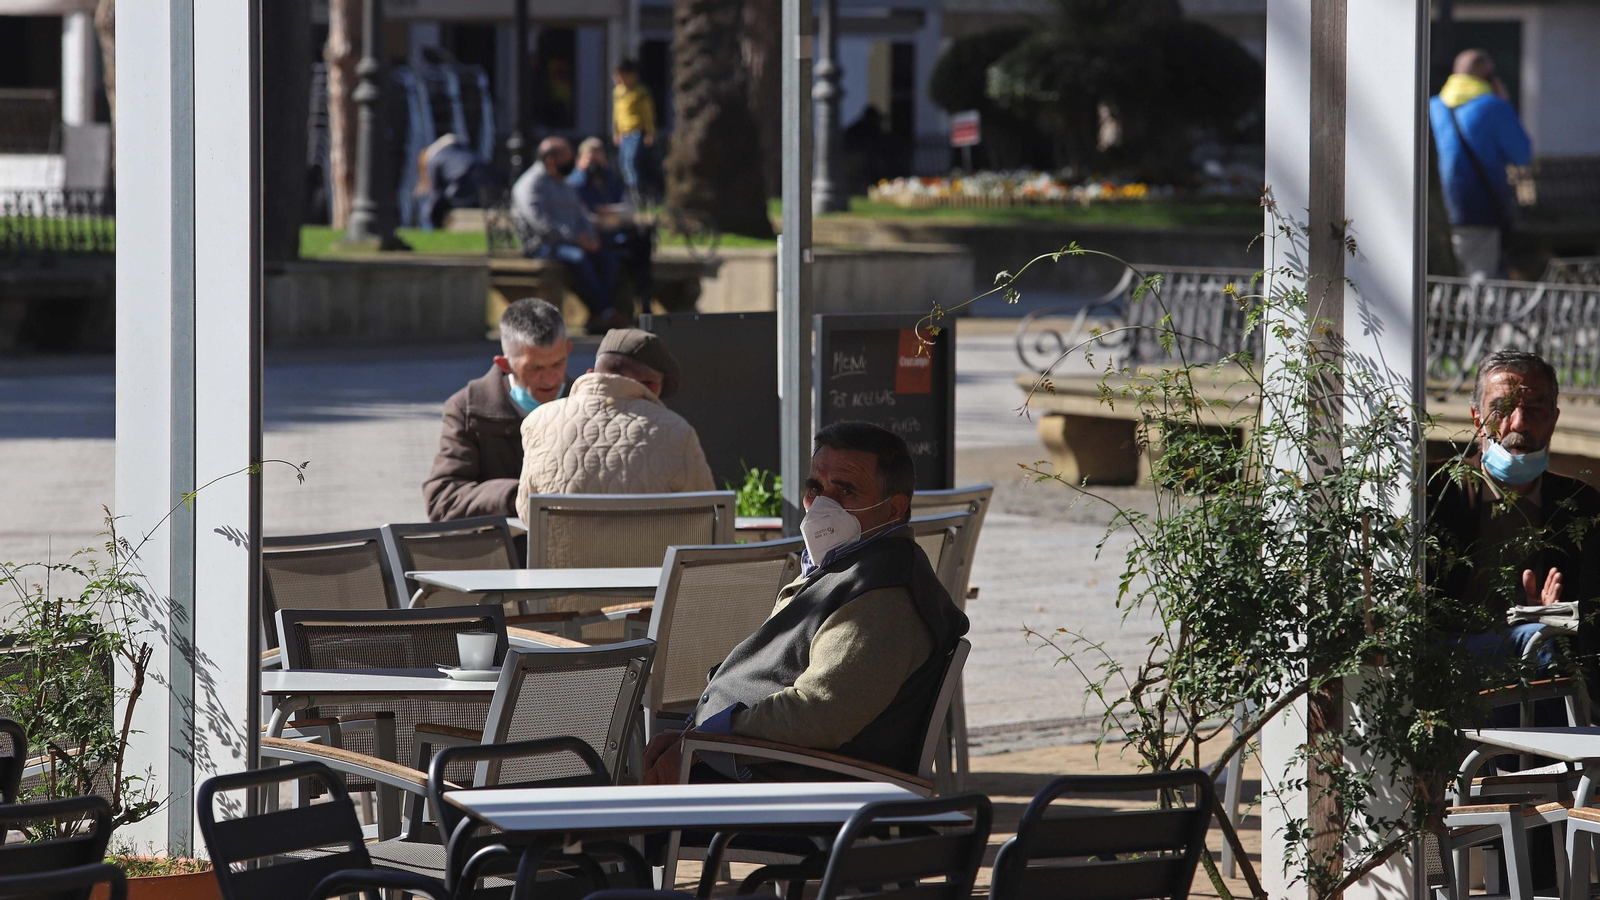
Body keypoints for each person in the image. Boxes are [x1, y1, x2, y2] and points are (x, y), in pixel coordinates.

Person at [642, 421, 970, 784]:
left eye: (846, 490)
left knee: (598, 814)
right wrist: (694, 736)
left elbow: (818, 713)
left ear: (893, 509)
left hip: (787, 797)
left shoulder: (884, 594)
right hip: (747, 766)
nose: (823, 504)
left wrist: (704, 743)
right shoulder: (848, 564)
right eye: (815, 487)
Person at [1429, 350, 1600, 680]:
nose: (1519, 423)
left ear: (1554, 418)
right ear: (1477, 418)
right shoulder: (1435, 492)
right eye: (1501, 409)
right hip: (1447, 665)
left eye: (1534, 409)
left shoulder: (1581, 505)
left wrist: (1552, 615)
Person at [515, 328, 714, 519]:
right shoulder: (678, 431)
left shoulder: (538, 421)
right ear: (653, 387)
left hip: (563, 554)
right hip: (650, 555)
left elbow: (526, 513)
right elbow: (708, 516)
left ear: (592, 373)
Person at [424, 298, 572, 521]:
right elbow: (443, 499)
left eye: (558, 364)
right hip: (502, 551)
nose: (550, 379)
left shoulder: (583, 402)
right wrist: (515, 497)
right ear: (505, 365)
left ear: (568, 351)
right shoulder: (468, 408)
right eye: (535, 368)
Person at [1429, 49, 1531, 278]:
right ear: (1487, 75)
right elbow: (1522, 155)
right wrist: (1505, 102)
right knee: (1481, 286)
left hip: (1436, 212)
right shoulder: (1494, 107)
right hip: (1480, 211)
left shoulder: (1432, 107)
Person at [511, 136, 620, 333]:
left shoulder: (564, 183)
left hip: (574, 243)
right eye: (567, 158)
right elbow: (540, 224)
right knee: (579, 259)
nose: (572, 163)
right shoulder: (530, 184)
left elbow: (582, 215)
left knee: (607, 257)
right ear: (551, 160)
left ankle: (599, 315)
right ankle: (605, 311)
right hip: (543, 246)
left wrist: (589, 236)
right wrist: (576, 239)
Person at [569, 137, 653, 306]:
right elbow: (584, 217)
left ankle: (644, 300)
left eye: (599, 159)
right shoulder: (574, 183)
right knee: (608, 259)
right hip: (593, 236)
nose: (595, 166)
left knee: (642, 241)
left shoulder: (610, 179)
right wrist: (609, 217)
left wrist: (609, 212)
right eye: (590, 159)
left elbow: (629, 209)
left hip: (616, 233)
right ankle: (607, 309)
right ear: (580, 161)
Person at [415, 133, 502, 231]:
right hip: (487, 174)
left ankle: (429, 227)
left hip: (464, 179)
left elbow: (436, 191)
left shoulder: (435, 159)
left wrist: (428, 214)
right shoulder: (459, 150)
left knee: (437, 202)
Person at [611, 59, 659, 201]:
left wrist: (650, 132)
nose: (619, 80)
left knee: (632, 162)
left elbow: (648, 114)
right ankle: (629, 194)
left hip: (636, 132)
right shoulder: (618, 92)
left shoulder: (640, 92)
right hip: (623, 134)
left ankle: (637, 194)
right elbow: (616, 114)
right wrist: (616, 132)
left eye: (622, 76)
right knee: (623, 163)